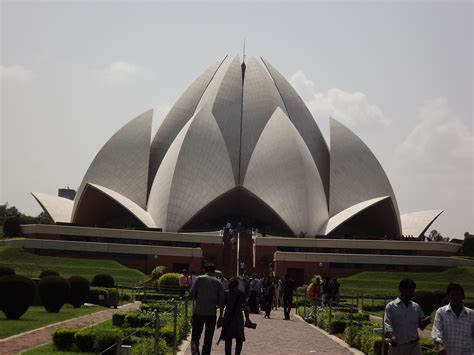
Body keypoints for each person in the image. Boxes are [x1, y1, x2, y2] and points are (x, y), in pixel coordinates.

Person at [384, 279, 431, 355]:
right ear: (401, 290)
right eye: (409, 291)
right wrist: (392, 337)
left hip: (414, 346)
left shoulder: (416, 306)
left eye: (412, 292)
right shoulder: (391, 306)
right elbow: (387, 324)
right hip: (398, 346)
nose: (411, 294)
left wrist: (429, 319)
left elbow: (421, 326)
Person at [190, 264, 224, 355]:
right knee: (208, 337)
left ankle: (195, 352)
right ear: (214, 271)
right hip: (211, 314)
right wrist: (221, 317)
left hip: (199, 312)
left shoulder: (199, 279)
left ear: (205, 270)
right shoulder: (218, 282)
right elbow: (221, 302)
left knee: (195, 336)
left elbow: (191, 294)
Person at [432, 283, 474, 354]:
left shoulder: (471, 314)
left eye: (458, 295)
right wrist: (439, 347)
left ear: (463, 296)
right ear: (448, 296)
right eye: (453, 295)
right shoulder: (441, 312)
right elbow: (436, 331)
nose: (456, 297)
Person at [218, 278, 253, 355]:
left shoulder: (226, 293)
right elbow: (246, 307)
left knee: (228, 339)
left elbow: (222, 306)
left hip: (228, 318)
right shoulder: (241, 294)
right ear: (237, 285)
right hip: (238, 318)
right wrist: (247, 319)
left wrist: (220, 317)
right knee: (239, 339)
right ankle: (237, 353)